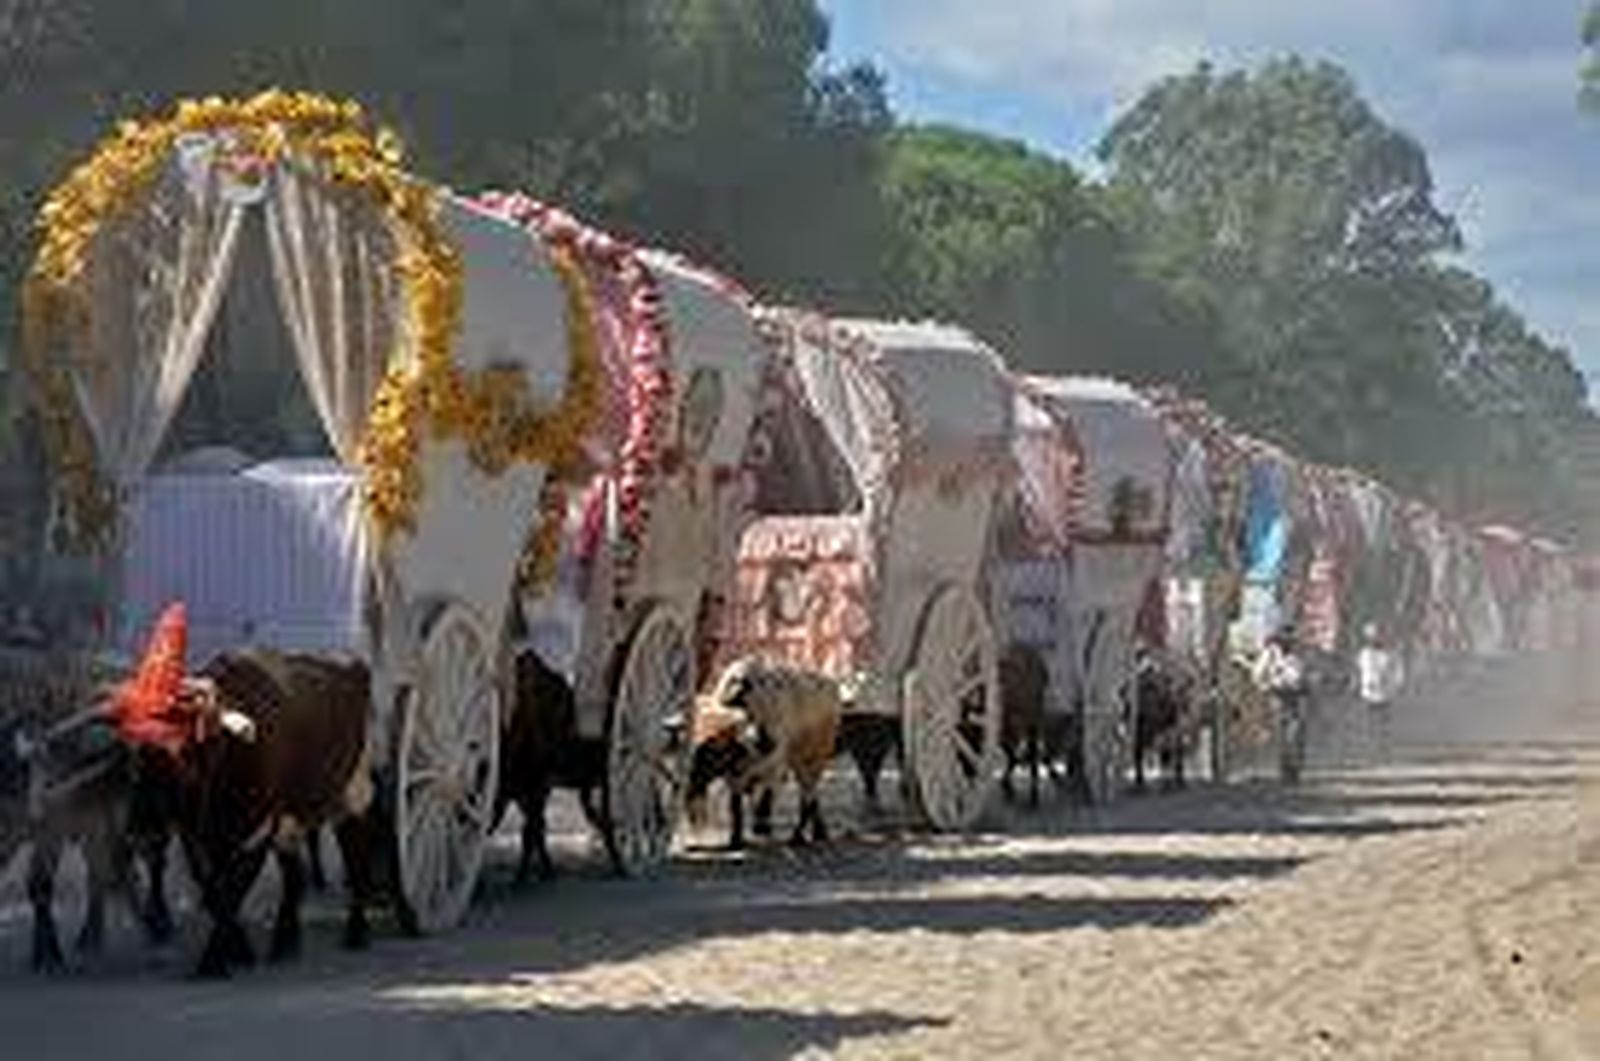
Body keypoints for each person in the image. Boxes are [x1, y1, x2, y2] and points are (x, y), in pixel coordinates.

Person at [1254, 624, 1310, 783]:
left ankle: (1295, 767)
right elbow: (1258, 675)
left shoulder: (1300, 654)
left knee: (1296, 733)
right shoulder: (1270, 654)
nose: (1290, 643)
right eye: (1286, 639)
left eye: (1291, 640)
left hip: (1297, 697)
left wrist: (1306, 684)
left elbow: (1306, 674)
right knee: (1282, 734)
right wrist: (1267, 686)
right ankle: (1285, 767)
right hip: (1277, 696)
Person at [1356, 623, 1402, 758]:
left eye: (1376, 637)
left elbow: (1398, 673)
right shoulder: (1363, 654)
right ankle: (1370, 749)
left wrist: (1394, 687)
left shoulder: (1390, 654)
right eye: (1371, 637)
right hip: (1368, 694)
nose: (1374, 640)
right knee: (1369, 724)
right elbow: (1360, 672)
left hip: (1385, 694)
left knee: (1384, 725)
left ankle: (1383, 749)